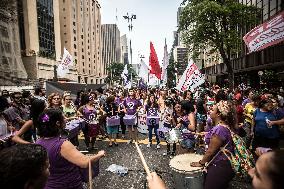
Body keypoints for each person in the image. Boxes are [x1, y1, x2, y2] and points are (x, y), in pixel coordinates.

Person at [36, 108, 105, 189]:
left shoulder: (38, 142)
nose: (66, 120)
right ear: (58, 123)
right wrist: (99, 155)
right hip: (68, 184)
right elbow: (85, 162)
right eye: (63, 118)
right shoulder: (63, 144)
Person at [191, 100, 235, 189]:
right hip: (224, 164)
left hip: (219, 166)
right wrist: (207, 134)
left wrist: (201, 163)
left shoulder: (219, 129)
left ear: (218, 114)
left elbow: (210, 151)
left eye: (212, 109)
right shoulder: (222, 126)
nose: (209, 110)